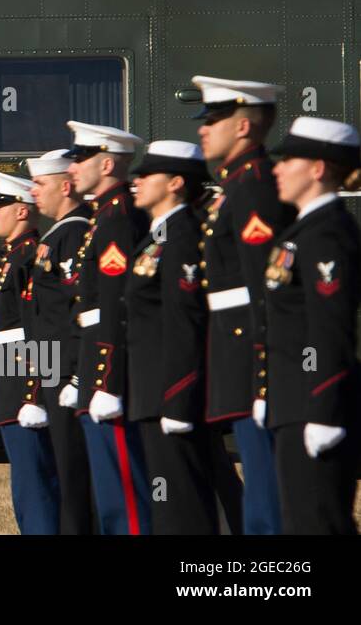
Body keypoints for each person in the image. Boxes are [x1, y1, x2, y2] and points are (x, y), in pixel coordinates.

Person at [192, 75, 292, 535]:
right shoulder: (236, 187)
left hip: (254, 363)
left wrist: (265, 377)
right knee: (258, 498)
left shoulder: (253, 187)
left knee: (269, 503)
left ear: (246, 127)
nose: (203, 128)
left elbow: (267, 289)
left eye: (215, 118)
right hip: (239, 360)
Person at [125, 141, 229, 534]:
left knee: (182, 504)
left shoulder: (182, 234)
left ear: (175, 183)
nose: (137, 181)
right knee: (170, 501)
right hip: (153, 392)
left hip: (170, 394)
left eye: (147, 175)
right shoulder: (158, 236)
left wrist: (179, 396)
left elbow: (185, 321)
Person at [264, 116, 361, 534]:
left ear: (318, 169)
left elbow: (330, 328)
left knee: (318, 524)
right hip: (294, 402)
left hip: (313, 405)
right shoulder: (305, 231)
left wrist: (323, 408)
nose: (278, 169)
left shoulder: (327, 235)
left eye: (289, 160)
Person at [64, 120, 152, 535]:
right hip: (96, 361)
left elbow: (117, 304)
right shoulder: (105, 217)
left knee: (125, 497)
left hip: (108, 367)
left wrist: (108, 381)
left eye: (83, 158)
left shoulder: (117, 219)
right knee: (109, 492)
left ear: (109, 163)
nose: (73, 167)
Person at [0, 170, 60, 534]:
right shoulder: (15, 255)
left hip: (26, 383)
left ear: (23, 210)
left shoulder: (30, 256)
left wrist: (34, 393)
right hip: (12, 379)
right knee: (25, 485)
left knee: (36, 484)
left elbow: (39, 328)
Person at [25, 149, 95, 534]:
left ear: (66, 187)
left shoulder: (74, 233)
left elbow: (77, 311)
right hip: (54, 369)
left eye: (41, 183)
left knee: (76, 477)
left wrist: (73, 375)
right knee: (67, 473)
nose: (33, 192)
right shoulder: (59, 234)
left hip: (68, 370)